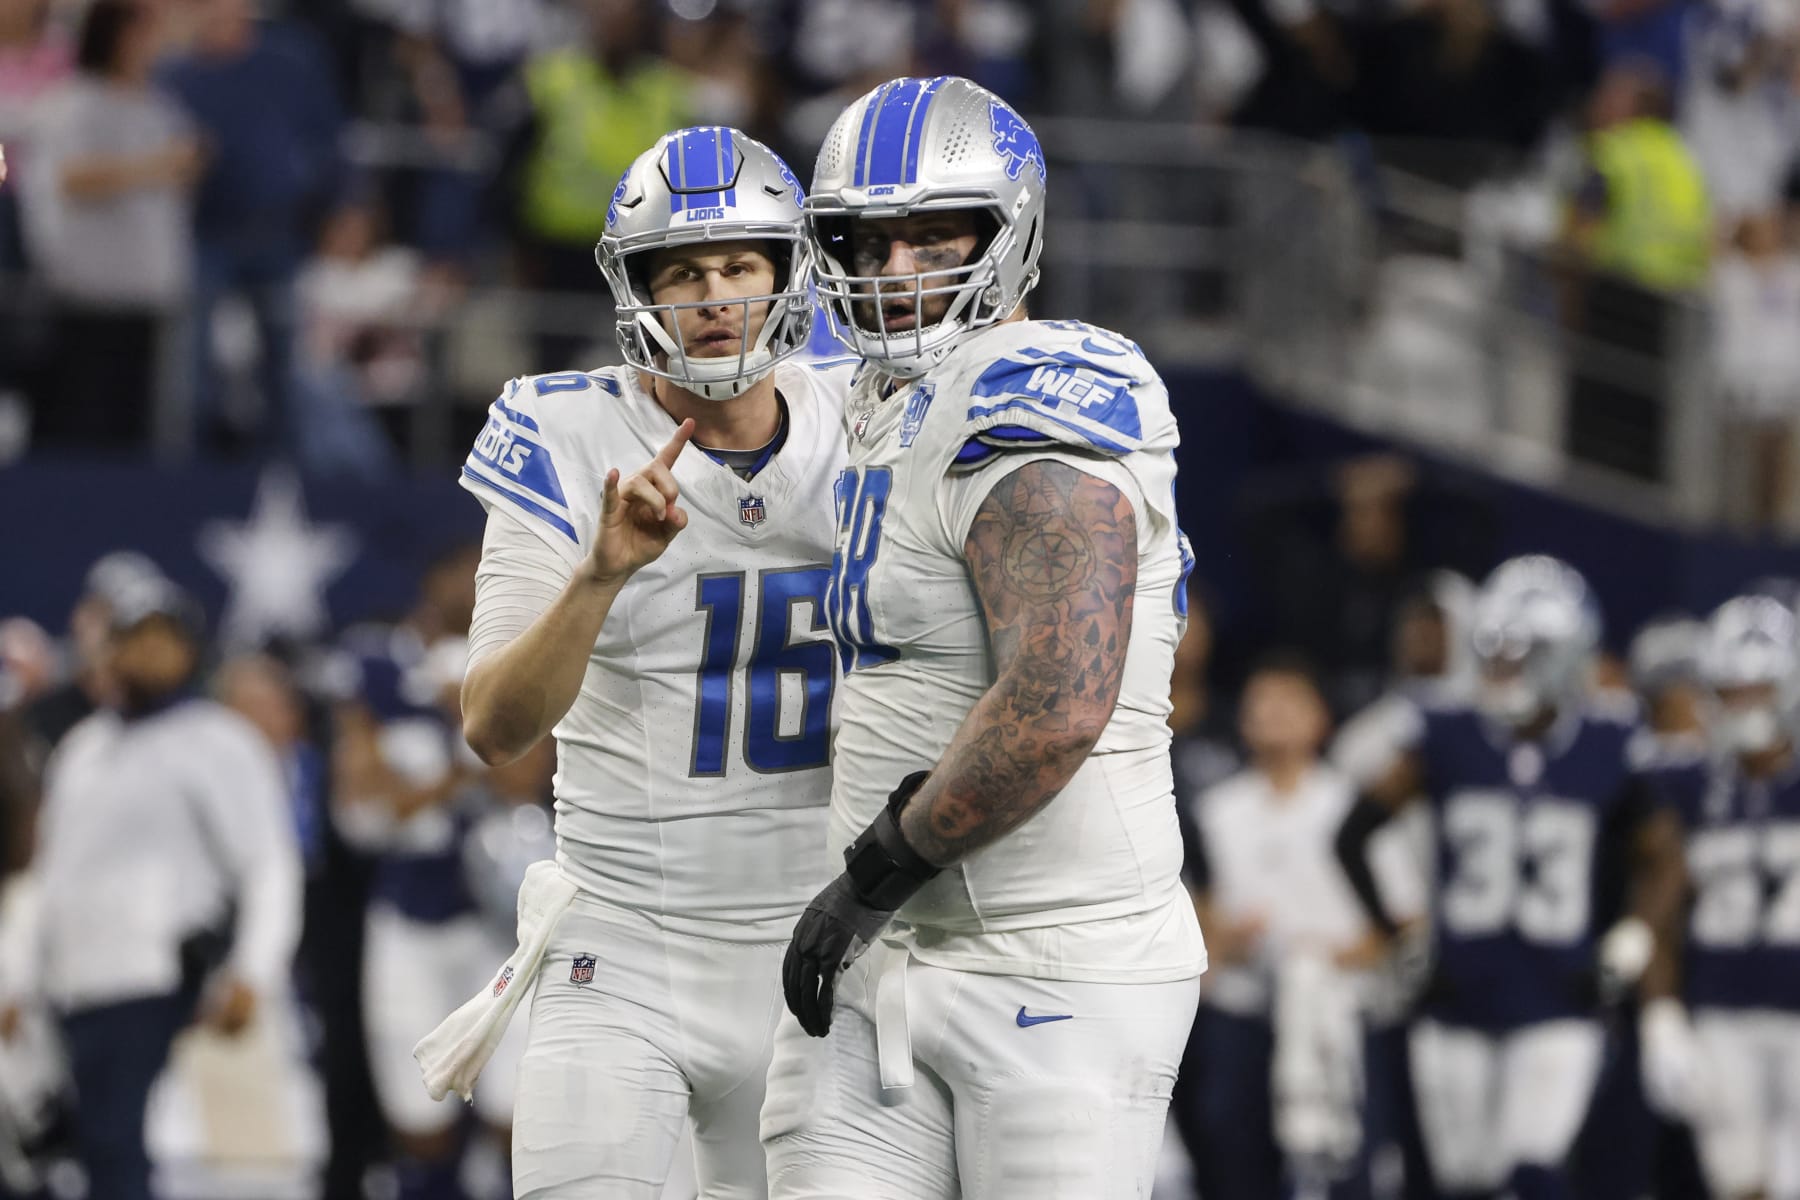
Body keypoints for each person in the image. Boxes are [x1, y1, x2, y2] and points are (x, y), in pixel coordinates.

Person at [764, 77, 1203, 1199]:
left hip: (1057, 967)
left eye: (933, 234)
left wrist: (872, 874)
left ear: (1013, 231)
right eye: (865, 239)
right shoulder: (875, 393)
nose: (896, 269)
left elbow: (1058, 702)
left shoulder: (1037, 386)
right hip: (878, 964)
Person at [420, 126, 851, 1199]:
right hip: (625, 943)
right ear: (639, 292)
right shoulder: (564, 428)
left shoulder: (871, 415)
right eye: (684, 271)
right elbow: (494, 725)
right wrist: (601, 575)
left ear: (787, 274)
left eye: (741, 266)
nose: (714, 296)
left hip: (820, 940)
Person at [1333, 555, 1687, 1199]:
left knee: (1531, 1176)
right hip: (1457, 995)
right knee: (1466, 1182)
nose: (1499, 666)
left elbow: (1665, 855)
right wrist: (1399, 936)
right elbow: (1352, 832)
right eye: (1492, 648)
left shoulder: (1606, 740)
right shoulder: (1448, 731)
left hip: (1560, 998)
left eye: (1518, 652)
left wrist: (1634, 937)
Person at [19, 574, 302, 1200]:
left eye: (160, 638)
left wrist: (256, 971)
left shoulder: (217, 740)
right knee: (82, 1156)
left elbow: (267, 865)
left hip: (160, 984)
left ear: (187, 649)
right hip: (74, 988)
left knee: (137, 1155)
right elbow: (51, 877)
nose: (145, 653)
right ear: (107, 650)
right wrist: (19, 980)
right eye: (130, 638)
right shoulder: (84, 748)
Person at [1188, 655, 1378, 1199]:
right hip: (1242, 1009)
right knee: (1233, 1155)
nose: (1271, 715)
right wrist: (1224, 935)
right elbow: (1197, 912)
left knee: (1338, 1159)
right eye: (1259, 704)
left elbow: (1400, 923)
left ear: (1321, 717)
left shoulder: (1352, 807)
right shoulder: (1214, 810)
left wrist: (1333, 956)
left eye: (1287, 702)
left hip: (1333, 1010)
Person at [1639, 595, 1800, 1200]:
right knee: (1738, 1184)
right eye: (1731, 690)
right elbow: (1655, 907)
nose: (1743, 705)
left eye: (1758, 688)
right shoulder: (1688, 783)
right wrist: (1660, 1017)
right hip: (1722, 1013)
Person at [17, 0, 199, 451]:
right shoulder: (72, 103)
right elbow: (72, 177)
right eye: (147, 33)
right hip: (84, 305)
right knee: (78, 433)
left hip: (148, 301)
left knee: (133, 439)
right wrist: (155, 167)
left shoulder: (159, 106)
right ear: (120, 37)